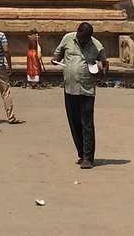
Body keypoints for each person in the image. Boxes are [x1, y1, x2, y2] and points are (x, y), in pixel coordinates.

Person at [52, 22, 106, 168]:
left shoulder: (97, 46)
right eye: (81, 38)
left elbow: (104, 65)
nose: (82, 41)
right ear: (77, 33)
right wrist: (56, 60)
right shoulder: (68, 39)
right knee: (74, 123)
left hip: (86, 90)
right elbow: (58, 54)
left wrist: (101, 68)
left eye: (85, 39)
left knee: (86, 124)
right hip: (69, 88)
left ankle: (88, 157)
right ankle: (81, 154)